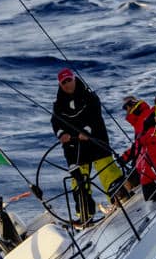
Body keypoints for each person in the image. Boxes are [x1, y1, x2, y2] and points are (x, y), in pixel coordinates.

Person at [51, 68, 121, 222]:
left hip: (96, 144)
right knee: (78, 182)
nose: (68, 84)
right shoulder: (58, 105)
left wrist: (87, 131)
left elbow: (95, 116)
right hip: (75, 150)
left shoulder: (90, 96)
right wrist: (62, 134)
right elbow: (55, 123)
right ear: (60, 85)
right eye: (64, 82)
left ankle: (121, 201)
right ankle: (85, 216)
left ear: (74, 79)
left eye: (69, 80)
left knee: (108, 173)